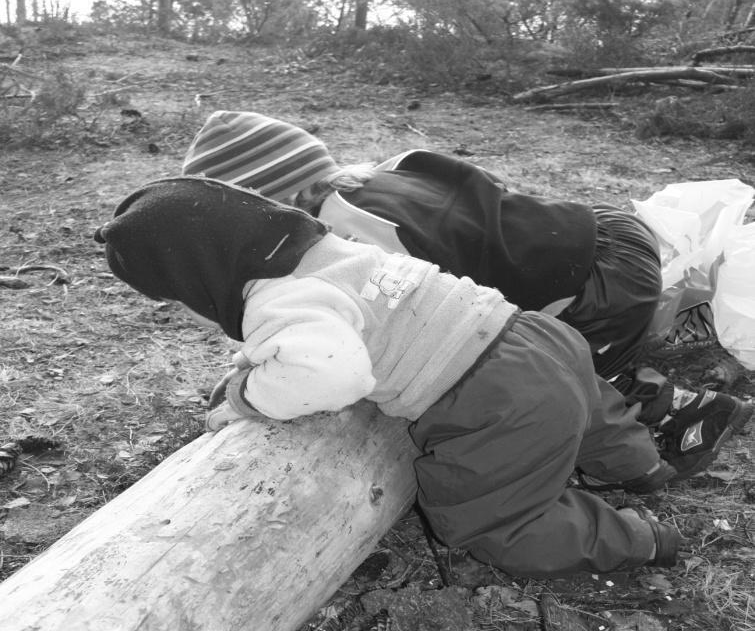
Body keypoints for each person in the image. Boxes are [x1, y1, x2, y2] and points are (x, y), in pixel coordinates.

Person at [95, 176, 686, 579]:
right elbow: (354, 321)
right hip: (533, 334)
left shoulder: (280, 298)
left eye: (177, 300)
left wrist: (248, 397)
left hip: (497, 397)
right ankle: (643, 466)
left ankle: (637, 538)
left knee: (487, 522)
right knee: (594, 415)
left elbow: (332, 372)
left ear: (196, 279)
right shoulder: (330, 252)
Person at [181, 110, 753, 481]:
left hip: (602, 287)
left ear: (267, 203)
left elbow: (418, 314)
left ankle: (688, 412)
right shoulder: (386, 168)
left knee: (551, 370)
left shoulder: (355, 235)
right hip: (597, 228)